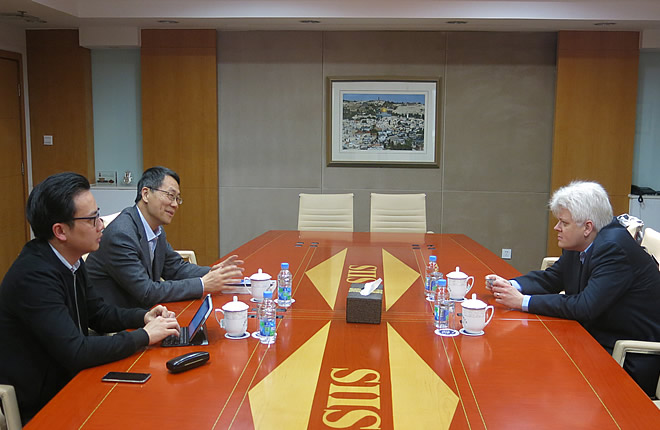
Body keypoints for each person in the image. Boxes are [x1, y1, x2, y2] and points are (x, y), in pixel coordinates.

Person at [0, 172, 181, 423]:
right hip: (44, 399)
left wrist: (144, 317)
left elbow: (99, 313)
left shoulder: (71, 260)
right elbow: (76, 350)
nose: (101, 225)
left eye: (98, 215)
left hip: (73, 378)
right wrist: (145, 336)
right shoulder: (33, 276)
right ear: (60, 231)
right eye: (92, 219)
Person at [486, 180, 660, 397]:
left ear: (587, 227)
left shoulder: (613, 248)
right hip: (594, 336)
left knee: (539, 376)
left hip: (626, 355)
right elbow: (554, 278)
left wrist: (522, 301)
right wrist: (511, 285)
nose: (557, 228)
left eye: (564, 223)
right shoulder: (581, 242)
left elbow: (585, 306)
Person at [85, 166, 244, 309]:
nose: (175, 204)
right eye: (170, 195)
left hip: (142, 313)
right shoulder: (121, 235)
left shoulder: (155, 229)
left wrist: (214, 272)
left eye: (177, 199)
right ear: (146, 194)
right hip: (116, 322)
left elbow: (175, 268)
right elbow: (146, 292)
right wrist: (203, 284)